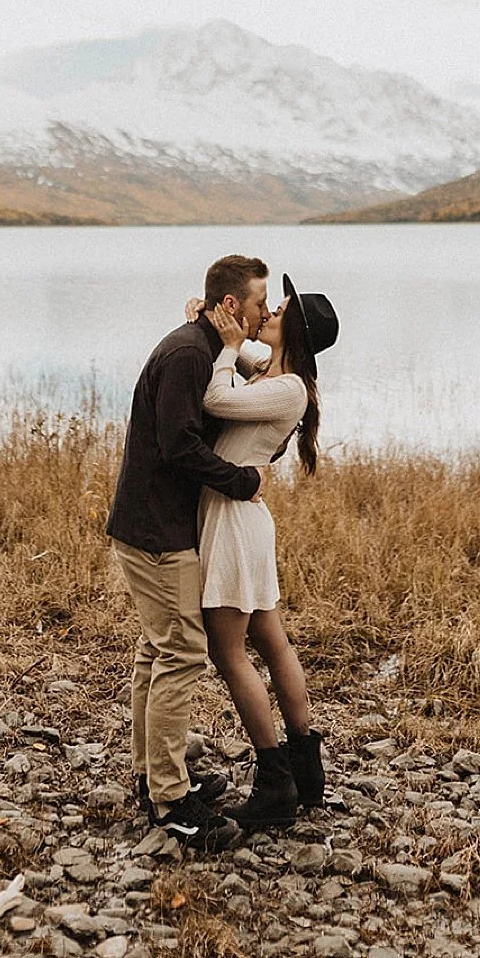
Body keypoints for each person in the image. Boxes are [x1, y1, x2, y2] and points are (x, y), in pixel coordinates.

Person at [106, 254, 272, 852]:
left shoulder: (202, 345)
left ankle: (154, 774)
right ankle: (171, 803)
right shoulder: (187, 355)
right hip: (158, 530)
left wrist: (236, 345)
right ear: (232, 305)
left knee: (158, 650)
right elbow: (178, 445)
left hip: (152, 523)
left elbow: (256, 363)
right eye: (258, 303)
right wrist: (242, 481)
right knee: (181, 652)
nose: (263, 312)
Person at [191, 274, 340, 830]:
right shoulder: (273, 373)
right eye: (271, 304)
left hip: (234, 523)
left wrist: (226, 347)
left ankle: (275, 778)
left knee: (228, 653)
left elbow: (213, 397)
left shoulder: (287, 387)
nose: (271, 309)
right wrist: (209, 319)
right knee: (271, 641)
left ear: (295, 329)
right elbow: (246, 351)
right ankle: (305, 769)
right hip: (243, 521)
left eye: (281, 308)